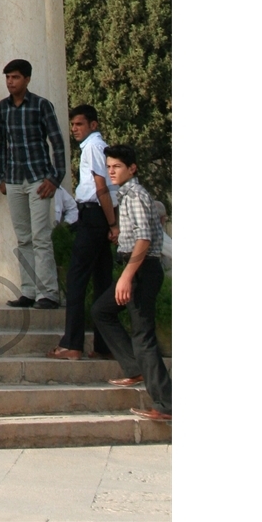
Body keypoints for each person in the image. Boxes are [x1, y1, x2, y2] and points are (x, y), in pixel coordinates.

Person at [91, 144, 171, 422]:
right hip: (135, 267)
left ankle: (165, 404)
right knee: (101, 311)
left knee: (144, 337)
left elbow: (145, 239)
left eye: (117, 167)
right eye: (109, 167)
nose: (111, 172)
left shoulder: (135, 195)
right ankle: (133, 367)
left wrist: (126, 277)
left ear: (132, 169)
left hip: (141, 270)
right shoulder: (127, 195)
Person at [0, 58, 67, 309]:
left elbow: (57, 142)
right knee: (23, 237)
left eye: (15, 77)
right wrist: (0, 176)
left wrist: (55, 177)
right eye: (7, 78)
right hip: (13, 179)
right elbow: (0, 144)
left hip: (38, 178)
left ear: (27, 79)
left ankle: (49, 293)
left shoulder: (41, 105)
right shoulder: (3, 108)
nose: (10, 82)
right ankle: (28, 291)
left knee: (41, 237)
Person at [50, 105, 119, 362]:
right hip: (99, 215)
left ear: (93, 124)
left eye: (80, 124)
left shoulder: (93, 146)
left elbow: (101, 186)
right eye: (73, 125)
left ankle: (72, 343)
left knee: (77, 278)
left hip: (94, 214)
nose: (75, 129)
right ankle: (104, 345)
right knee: (102, 279)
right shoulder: (96, 146)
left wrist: (112, 224)